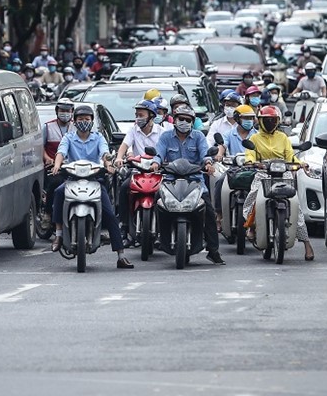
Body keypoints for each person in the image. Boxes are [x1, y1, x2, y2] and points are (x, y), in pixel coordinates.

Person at [50, 106, 134, 269]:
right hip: (72, 179)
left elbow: (104, 153)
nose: (83, 122)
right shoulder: (68, 137)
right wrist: (57, 165)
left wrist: (108, 164)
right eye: (80, 119)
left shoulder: (98, 138)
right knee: (58, 193)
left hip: (95, 180)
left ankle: (121, 255)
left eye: (87, 119)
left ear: (92, 121)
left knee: (109, 213)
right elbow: (61, 152)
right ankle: (59, 234)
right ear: (74, 121)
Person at [151, 104, 224, 265]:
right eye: (181, 119)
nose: (184, 122)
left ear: (192, 122)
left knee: (209, 212)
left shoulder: (198, 136)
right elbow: (158, 154)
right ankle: (153, 236)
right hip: (170, 180)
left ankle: (213, 251)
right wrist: (155, 163)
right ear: (174, 120)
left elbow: (205, 154)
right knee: (155, 202)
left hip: (195, 181)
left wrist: (208, 164)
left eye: (187, 120)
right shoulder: (165, 137)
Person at [242, 106, 315, 261]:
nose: (270, 122)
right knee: (254, 196)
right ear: (260, 121)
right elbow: (250, 154)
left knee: (296, 206)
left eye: (272, 120)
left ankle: (307, 243)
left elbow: (291, 155)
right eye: (266, 120)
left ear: (277, 121)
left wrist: (300, 164)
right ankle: (252, 226)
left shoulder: (283, 137)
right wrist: (251, 162)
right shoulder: (254, 139)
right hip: (263, 173)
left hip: (284, 173)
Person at [114, 100, 164, 245]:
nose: (138, 118)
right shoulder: (133, 130)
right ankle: (124, 227)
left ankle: (163, 231)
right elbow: (124, 146)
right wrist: (119, 158)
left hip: (157, 172)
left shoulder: (162, 132)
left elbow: (165, 150)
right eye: (136, 115)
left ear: (151, 116)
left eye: (141, 115)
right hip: (137, 170)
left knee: (164, 194)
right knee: (124, 188)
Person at [41, 101, 74, 230]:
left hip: (73, 167)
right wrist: (47, 158)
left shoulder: (76, 128)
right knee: (55, 184)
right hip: (53, 167)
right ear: (57, 111)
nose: (65, 113)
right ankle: (48, 214)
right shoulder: (48, 127)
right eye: (62, 110)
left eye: (68, 111)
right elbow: (40, 146)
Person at [207, 90, 247, 161]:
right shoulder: (217, 124)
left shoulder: (244, 124)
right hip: (224, 162)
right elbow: (209, 142)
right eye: (228, 105)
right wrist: (216, 155)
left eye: (233, 105)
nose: (230, 108)